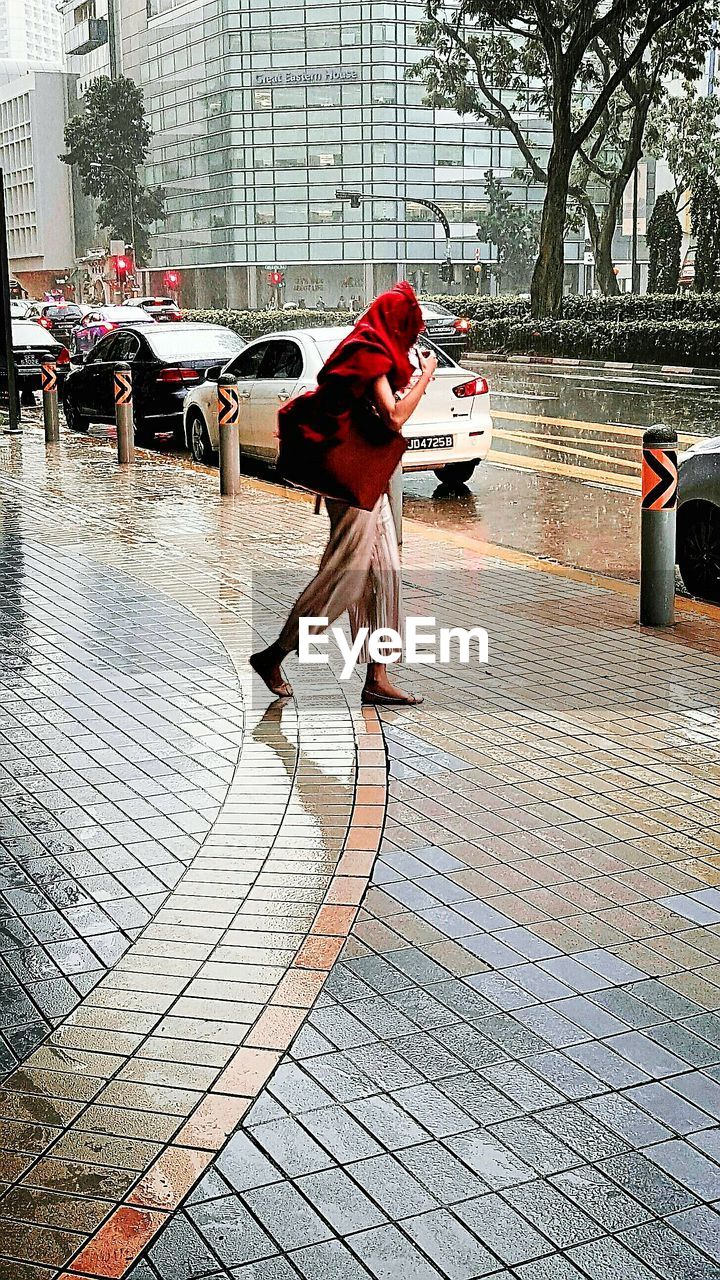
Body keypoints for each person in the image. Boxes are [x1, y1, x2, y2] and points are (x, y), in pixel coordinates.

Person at [250, 281, 437, 706]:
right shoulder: (368, 350)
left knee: (385, 574)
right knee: (345, 580)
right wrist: (427, 374)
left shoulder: (375, 348)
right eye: (409, 327)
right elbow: (393, 416)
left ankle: (378, 675)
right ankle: (274, 655)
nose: (411, 338)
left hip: (370, 476)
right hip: (353, 482)